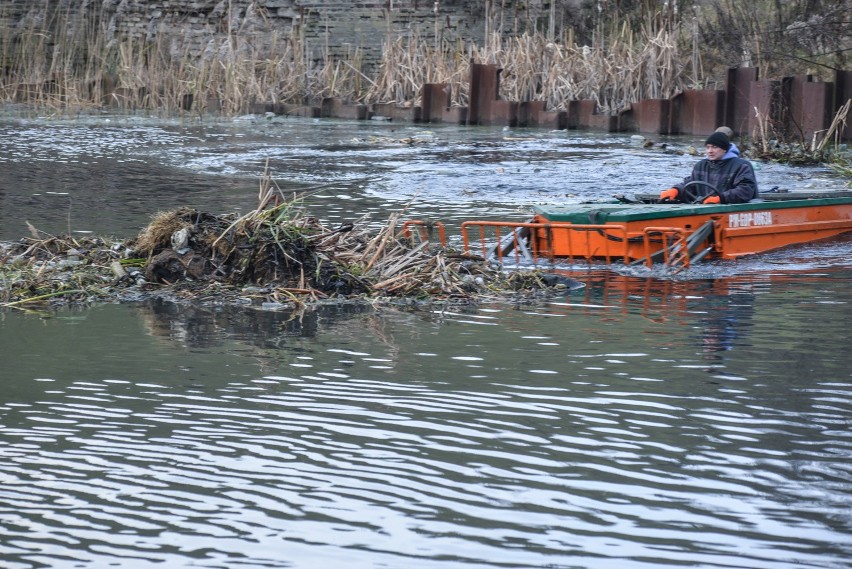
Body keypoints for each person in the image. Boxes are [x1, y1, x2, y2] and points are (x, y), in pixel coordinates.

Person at [659, 131, 758, 204]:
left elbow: (745, 190)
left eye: (714, 147)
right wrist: (676, 190)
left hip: (732, 211)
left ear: (725, 149)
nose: (710, 151)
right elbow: (691, 185)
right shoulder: (701, 165)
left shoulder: (741, 166)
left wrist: (721, 198)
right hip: (706, 209)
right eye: (708, 147)